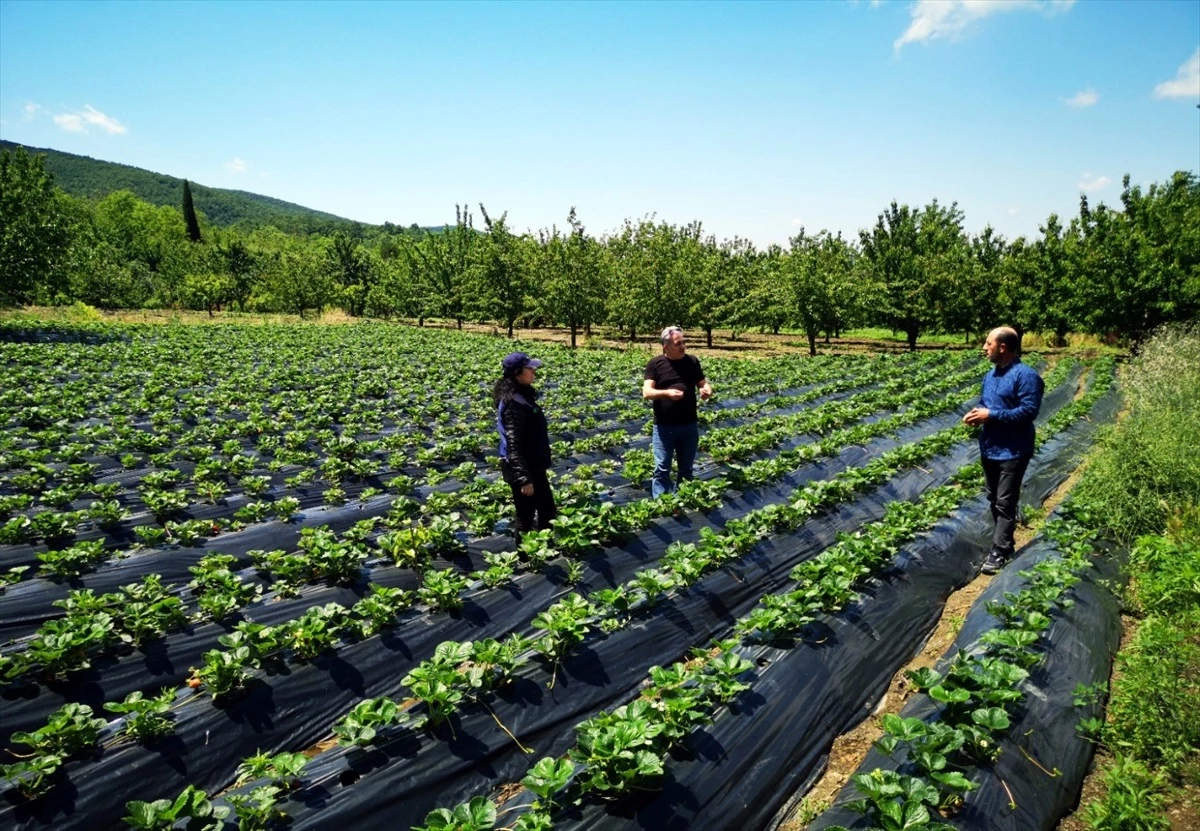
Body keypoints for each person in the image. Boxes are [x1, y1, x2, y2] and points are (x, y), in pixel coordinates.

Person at [963, 326, 1045, 574]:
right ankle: (1005, 544)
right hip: (990, 447)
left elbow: (1029, 412)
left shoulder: (1026, 376)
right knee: (993, 498)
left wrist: (991, 414)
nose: (984, 348)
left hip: (1014, 449)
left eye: (988, 344)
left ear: (1003, 347)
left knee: (1005, 502)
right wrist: (978, 414)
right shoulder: (990, 376)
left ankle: (999, 551)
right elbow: (986, 404)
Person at [642, 326, 713, 498]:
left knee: (686, 469)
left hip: (689, 425)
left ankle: (683, 500)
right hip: (664, 427)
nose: (683, 346)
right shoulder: (655, 364)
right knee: (662, 469)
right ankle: (662, 506)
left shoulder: (692, 362)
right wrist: (666, 393)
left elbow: (702, 383)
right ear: (666, 346)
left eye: (683, 342)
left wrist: (706, 390)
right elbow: (647, 393)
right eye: (678, 343)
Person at [494, 351, 557, 542]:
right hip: (524, 468)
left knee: (546, 509)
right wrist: (523, 478)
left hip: (532, 465)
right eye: (530, 368)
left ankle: (544, 549)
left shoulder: (522, 396)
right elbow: (514, 444)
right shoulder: (514, 403)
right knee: (526, 515)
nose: (534, 371)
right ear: (517, 372)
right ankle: (526, 559)